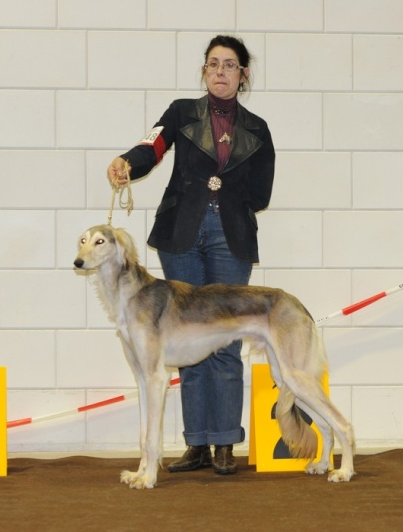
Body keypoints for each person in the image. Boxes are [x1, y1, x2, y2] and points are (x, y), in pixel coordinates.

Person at [107, 35, 275, 475]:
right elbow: (152, 147)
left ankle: (225, 443)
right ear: (204, 71)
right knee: (184, 342)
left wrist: (225, 196)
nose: (220, 72)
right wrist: (127, 162)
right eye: (213, 64)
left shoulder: (258, 129)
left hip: (230, 238)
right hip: (180, 233)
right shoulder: (182, 112)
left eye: (230, 65)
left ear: (243, 74)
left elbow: (261, 193)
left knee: (224, 343)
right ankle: (197, 443)